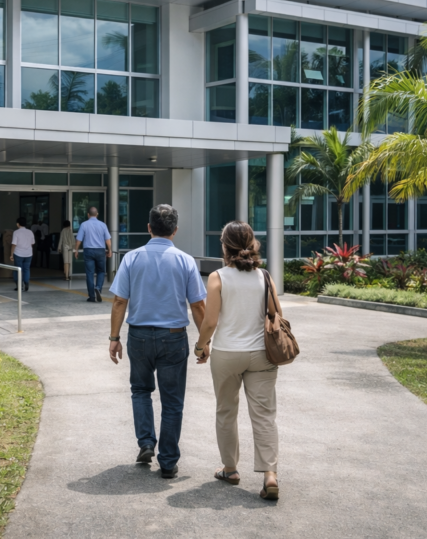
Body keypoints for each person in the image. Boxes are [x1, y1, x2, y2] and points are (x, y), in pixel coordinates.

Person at [108, 204, 207, 479]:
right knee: (172, 401)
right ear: (175, 230)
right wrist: (204, 341)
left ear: (149, 228)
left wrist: (114, 337)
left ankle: (146, 443)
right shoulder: (186, 260)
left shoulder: (131, 258)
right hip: (174, 338)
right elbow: (198, 306)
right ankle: (168, 462)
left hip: (138, 335)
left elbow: (119, 301)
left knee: (140, 390)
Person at [195, 220, 281, 501]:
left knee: (226, 411)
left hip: (227, 353)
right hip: (262, 355)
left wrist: (200, 346)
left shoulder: (218, 277)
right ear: (252, 244)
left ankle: (230, 469)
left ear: (224, 246)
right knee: (264, 414)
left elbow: (210, 322)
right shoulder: (265, 276)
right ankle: (270, 475)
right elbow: (274, 314)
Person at [73, 207, 111, 303]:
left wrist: (76, 250)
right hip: (100, 251)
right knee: (101, 271)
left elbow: (79, 240)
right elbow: (108, 240)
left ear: (88, 214)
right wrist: (109, 250)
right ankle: (98, 288)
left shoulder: (84, 224)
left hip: (88, 251)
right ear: (97, 214)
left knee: (89, 273)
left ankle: (92, 296)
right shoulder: (103, 225)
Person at [9, 216, 35, 292]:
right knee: (26, 269)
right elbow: (32, 243)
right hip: (28, 254)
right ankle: (26, 283)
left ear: (18, 224)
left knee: (18, 270)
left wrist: (11, 254)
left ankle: (19, 285)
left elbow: (14, 244)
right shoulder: (30, 232)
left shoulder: (16, 232)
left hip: (18, 254)